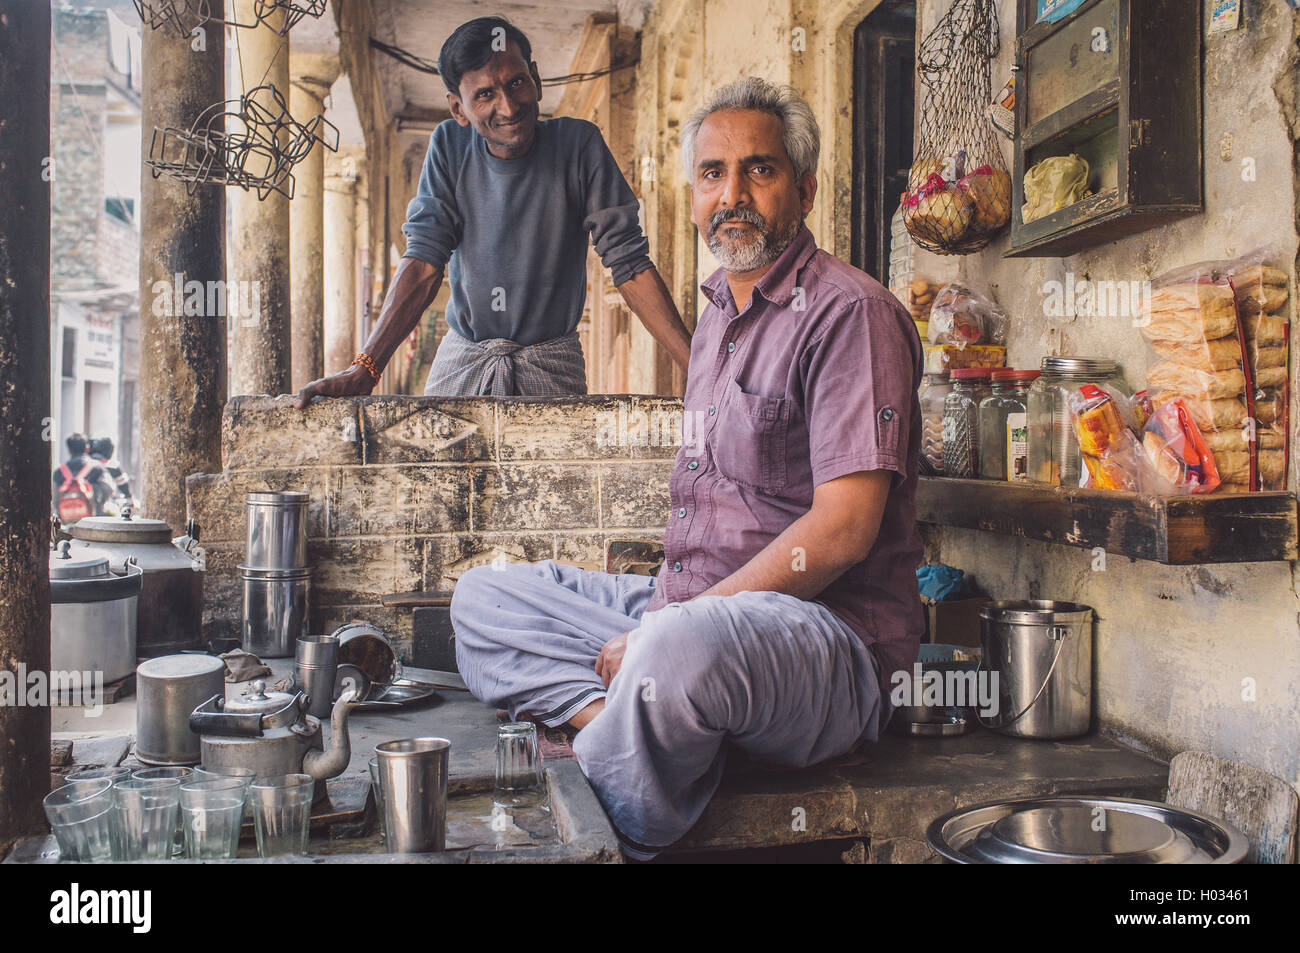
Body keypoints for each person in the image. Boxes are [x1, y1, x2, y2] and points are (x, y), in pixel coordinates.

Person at [450, 77, 924, 859]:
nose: (731, 193)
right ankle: (623, 723)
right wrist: (667, 616)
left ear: (804, 188)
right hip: (683, 611)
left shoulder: (850, 314)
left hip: (825, 643)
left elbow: (841, 531)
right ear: (694, 194)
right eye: (712, 174)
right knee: (483, 598)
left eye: (759, 171)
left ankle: (607, 813)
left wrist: (670, 628)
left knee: (678, 653)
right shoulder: (714, 323)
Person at [296, 16, 691, 405]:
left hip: (551, 365)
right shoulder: (449, 145)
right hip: (464, 359)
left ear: (535, 78)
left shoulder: (578, 145)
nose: (507, 106)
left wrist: (698, 368)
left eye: (516, 82)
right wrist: (364, 369)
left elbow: (629, 263)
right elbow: (424, 262)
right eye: (484, 94)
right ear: (459, 108)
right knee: (436, 469)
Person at [53, 433, 113, 522]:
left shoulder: (59, 471)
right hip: (92, 520)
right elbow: (108, 489)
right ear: (87, 448)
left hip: (66, 521)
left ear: (69, 450)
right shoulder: (97, 467)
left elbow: (54, 496)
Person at [89, 436, 134, 502]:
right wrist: (130, 500)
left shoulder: (84, 463)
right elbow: (123, 486)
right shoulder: (111, 465)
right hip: (102, 505)